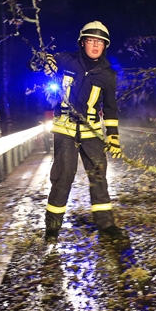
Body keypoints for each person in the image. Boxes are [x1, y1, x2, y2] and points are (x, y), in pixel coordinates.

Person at [30, 21, 125, 241]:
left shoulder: (108, 75)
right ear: (82, 43)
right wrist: (43, 62)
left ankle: (106, 225)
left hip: (92, 132)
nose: (95, 45)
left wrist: (113, 136)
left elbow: (110, 109)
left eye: (100, 42)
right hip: (65, 130)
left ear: (105, 45)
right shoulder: (66, 60)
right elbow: (33, 65)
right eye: (91, 40)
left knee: (98, 177)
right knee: (63, 177)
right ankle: (52, 228)